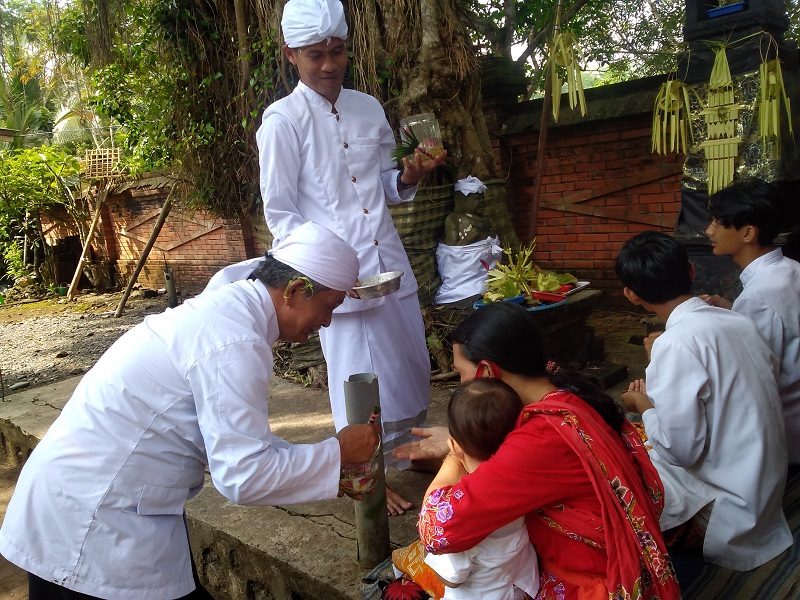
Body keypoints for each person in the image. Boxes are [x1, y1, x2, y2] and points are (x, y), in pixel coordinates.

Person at [0, 222, 381, 600]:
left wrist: (330, 466)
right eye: (329, 306)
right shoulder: (233, 342)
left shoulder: (227, 313)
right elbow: (242, 476)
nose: (327, 321)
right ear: (296, 291)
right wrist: (338, 452)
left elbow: (243, 445)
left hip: (82, 502)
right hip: (93, 521)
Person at [256, 0, 446, 515]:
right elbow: (282, 216)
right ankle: (366, 476)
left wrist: (410, 174)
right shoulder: (283, 122)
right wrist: (324, 271)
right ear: (290, 53)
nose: (328, 65)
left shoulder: (368, 108)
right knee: (357, 379)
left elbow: (386, 184)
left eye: (337, 51)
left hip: (390, 262)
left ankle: (412, 452)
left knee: (409, 365)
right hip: (337, 280)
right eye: (315, 54)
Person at [400, 302, 680, 599]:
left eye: (461, 374)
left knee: (410, 585)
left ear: (486, 371)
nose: (460, 384)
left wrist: (455, 452)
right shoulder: (569, 393)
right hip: (616, 564)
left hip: (589, 586)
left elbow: (438, 529)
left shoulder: (541, 437)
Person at [616, 231, 792, 571]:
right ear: (692, 271)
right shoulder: (737, 320)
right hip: (764, 485)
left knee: (619, 470)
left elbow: (680, 451)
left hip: (733, 504)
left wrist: (644, 406)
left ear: (631, 295)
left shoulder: (675, 343)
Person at [701, 180, 800, 465]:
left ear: (747, 233)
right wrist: (734, 310)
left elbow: (747, 380)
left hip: (782, 433)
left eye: (719, 223)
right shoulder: (790, 270)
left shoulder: (759, 296)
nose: (709, 231)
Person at [423, 378, 539, 600]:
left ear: (454, 446)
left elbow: (451, 578)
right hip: (521, 587)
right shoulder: (523, 482)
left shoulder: (461, 510)